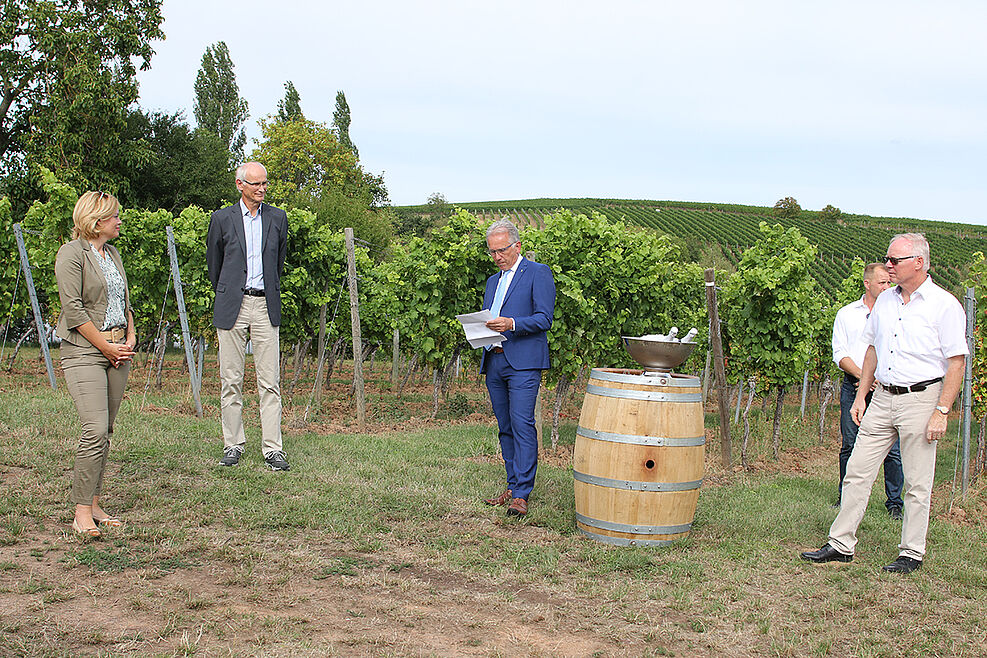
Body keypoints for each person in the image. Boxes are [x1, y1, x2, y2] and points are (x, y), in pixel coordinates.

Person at [801, 233, 966, 573]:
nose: (888, 265)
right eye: (887, 260)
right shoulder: (887, 302)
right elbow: (872, 349)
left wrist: (942, 411)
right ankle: (841, 543)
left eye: (895, 260)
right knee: (858, 471)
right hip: (882, 397)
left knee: (918, 482)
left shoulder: (944, 305)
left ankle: (911, 552)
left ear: (918, 262)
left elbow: (957, 362)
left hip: (921, 399)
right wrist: (861, 395)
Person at [54, 191, 137, 538]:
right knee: (95, 429)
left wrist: (130, 337)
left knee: (108, 431)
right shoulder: (71, 254)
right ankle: (81, 512)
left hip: (119, 349)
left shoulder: (113, 253)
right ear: (97, 220)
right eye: (115, 215)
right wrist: (106, 346)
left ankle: (95, 501)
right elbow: (73, 310)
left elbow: (124, 301)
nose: (120, 221)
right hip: (86, 349)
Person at [206, 162, 290, 471]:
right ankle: (233, 445)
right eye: (256, 184)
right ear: (240, 185)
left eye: (265, 183)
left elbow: (278, 262)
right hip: (233, 304)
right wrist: (230, 292)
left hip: (265, 304)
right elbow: (214, 264)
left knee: (270, 381)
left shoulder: (278, 219)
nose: (262, 189)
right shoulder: (221, 219)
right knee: (232, 380)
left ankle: (273, 449)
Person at [480, 219, 556, 517]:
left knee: (522, 424)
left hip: (523, 363)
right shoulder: (492, 281)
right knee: (505, 427)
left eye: (502, 250)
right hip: (494, 359)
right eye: (492, 252)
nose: (497, 257)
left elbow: (544, 318)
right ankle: (512, 486)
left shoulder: (538, 273)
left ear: (517, 246)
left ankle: (522, 493)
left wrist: (512, 324)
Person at [831, 262, 903, 518]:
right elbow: (840, 354)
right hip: (854, 388)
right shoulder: (847, 314)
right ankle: (845, 497)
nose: (887, 287)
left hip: (886, 390)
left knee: (893, 451)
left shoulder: (898, 313)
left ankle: (894, 503)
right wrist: (865, 377)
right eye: (882, 282)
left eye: (889, 282)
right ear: (867, 283)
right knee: (849, 445)